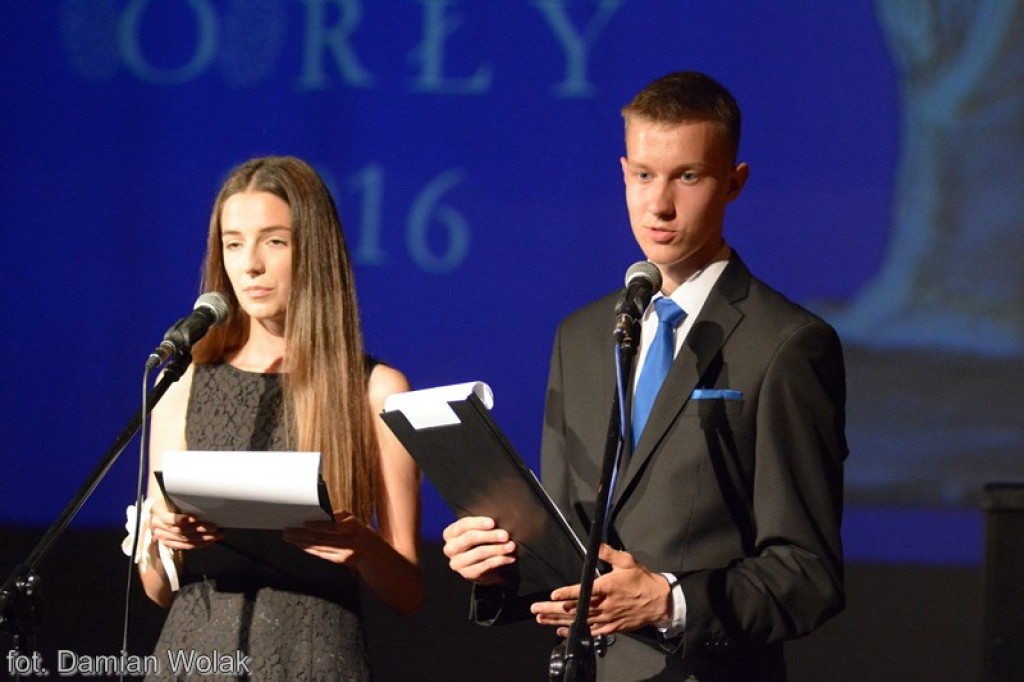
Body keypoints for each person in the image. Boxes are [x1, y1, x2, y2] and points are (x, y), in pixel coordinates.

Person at [442, 72, 848, 681]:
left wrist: (670, 602)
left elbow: (808, 574)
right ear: (623, 173)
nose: (659, 204)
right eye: (643, 175)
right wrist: (500, 565)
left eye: (688, 176)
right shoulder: (581, 337)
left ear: (734, 182)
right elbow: (569, 550)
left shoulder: (787, 344)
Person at [131, 156, 422, 680]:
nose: (250, 265)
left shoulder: (376, 390)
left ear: (314, 249)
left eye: (275, 242)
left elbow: (407, 593)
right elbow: (157, 590)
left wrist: (361, 546)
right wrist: (165, 540)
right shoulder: (182, 382)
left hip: (314, 660)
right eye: (233, 243)